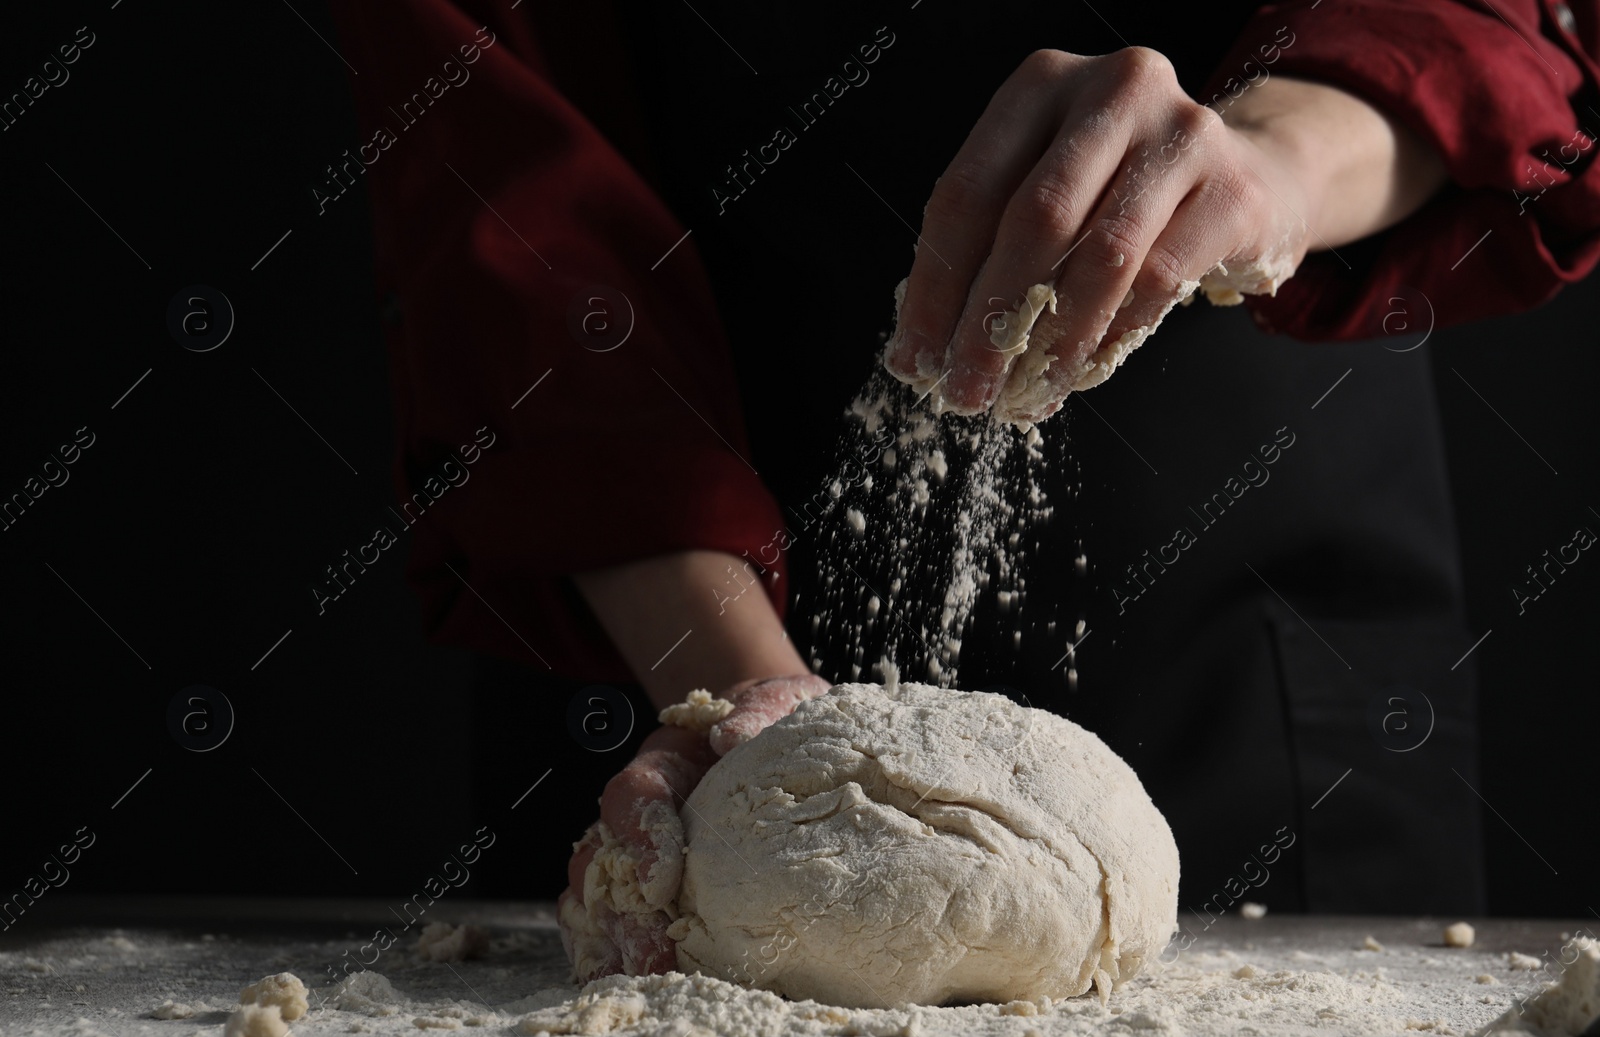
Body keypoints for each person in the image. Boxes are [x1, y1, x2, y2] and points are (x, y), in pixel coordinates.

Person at [328, 0, 1600, 978]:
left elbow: (1475, 24)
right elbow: (497, 196)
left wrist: (1270, 162)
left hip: (1253, 630)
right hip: (653, 622)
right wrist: (728, 700)